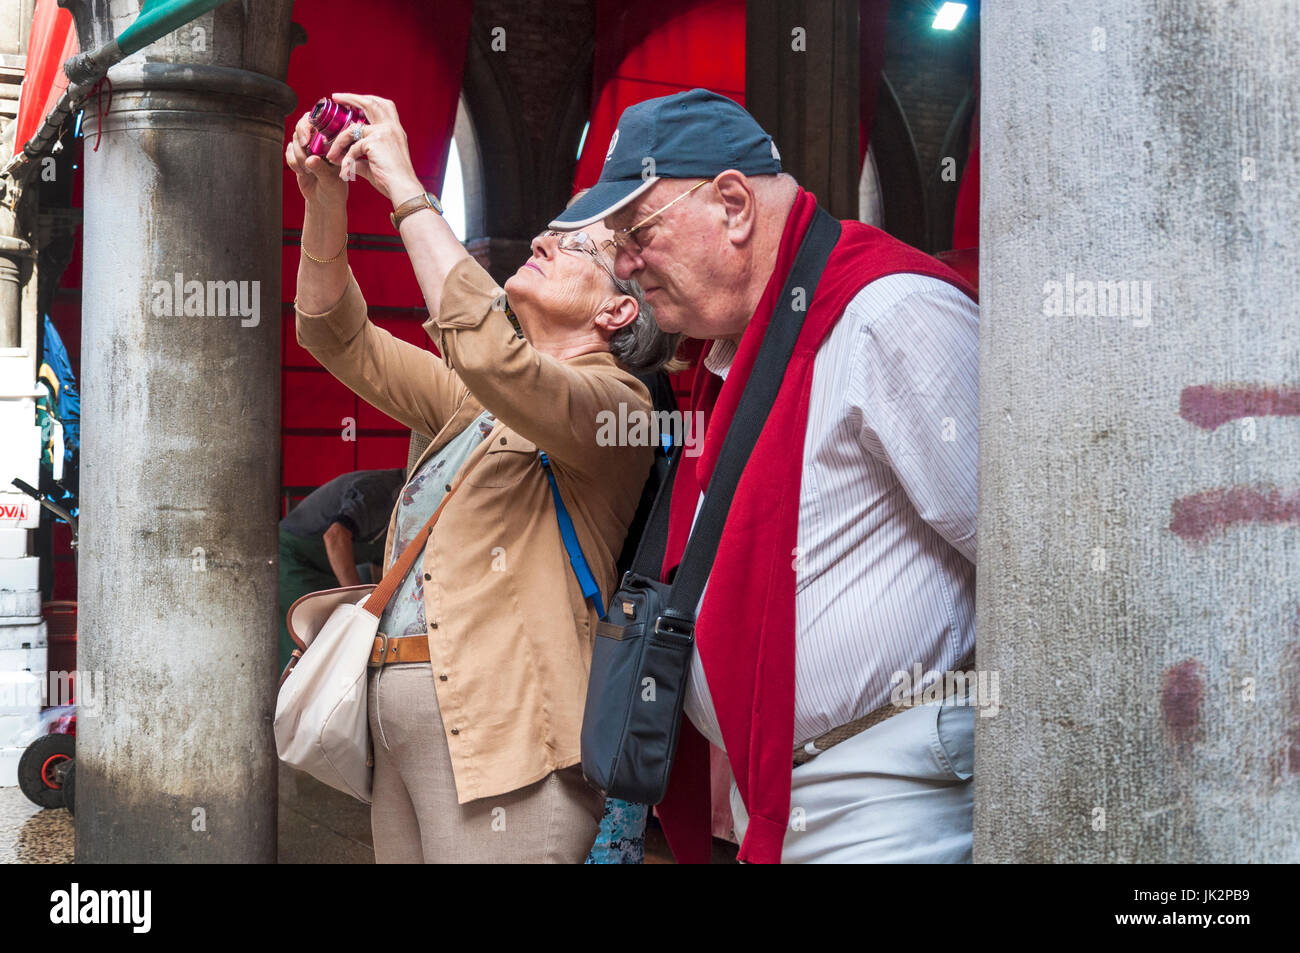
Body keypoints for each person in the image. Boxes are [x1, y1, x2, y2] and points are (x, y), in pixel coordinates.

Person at [551, 88, 980, 864]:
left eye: (637, 231)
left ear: (733, 204)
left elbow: (1032, 559)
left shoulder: (892, 314)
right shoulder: (746, 345)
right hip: (789, 794)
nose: (622, 263)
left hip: (886, 797)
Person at [285, 92, 676, 863]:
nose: (543, 239)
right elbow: (338, 337)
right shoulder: (478, 404)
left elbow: (496, 354)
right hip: (398, 730)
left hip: (509, 744)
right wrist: (325, 201)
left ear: (618, 314)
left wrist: (406, 189)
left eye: (573, 247)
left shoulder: (618, 407)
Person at [277, 468, 404, 671]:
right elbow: (335, 537)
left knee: (333, 644)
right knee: (313, 644)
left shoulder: (404, 515)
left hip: (324, 572)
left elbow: (384, 570)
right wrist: (361, 605)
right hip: (292, 561)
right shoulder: (383, 491)